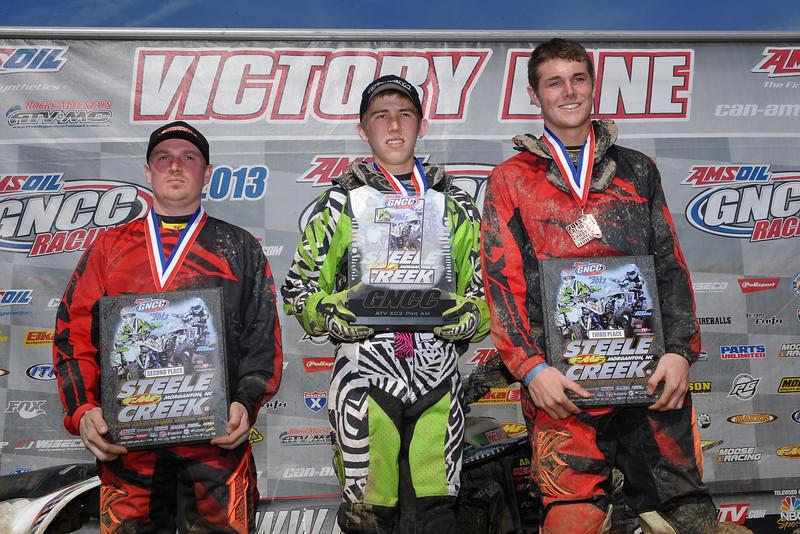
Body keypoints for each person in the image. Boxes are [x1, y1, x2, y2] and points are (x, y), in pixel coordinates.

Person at [481, 39, 749, 534]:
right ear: (535, 95)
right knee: (572, 519)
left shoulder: (638, 170)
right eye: (554, 82)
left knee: (687, 516)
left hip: (650, 380)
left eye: (578, 79)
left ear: (593, 85)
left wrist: (679, 352)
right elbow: (502, 283)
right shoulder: (510, 180)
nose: (568, 91)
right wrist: (532, 368)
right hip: (562, 387)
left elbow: (669, 267)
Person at [281, 75, 490, 534]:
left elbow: (486, 293)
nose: (394, 125)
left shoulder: (455, 204)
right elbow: (298, 289)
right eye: (381, 116)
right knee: (370, 518)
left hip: (438, 379)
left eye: (405, 114)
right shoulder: (340, 202)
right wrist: (335, 312)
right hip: (365, 377)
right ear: (363, 130)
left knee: (436, 515)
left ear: (422, 125)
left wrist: (471, 316)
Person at [53, 121, 283, 533]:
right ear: (148, 171)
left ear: (207, 173)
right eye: (164, 158)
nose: (175, 166)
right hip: (128, 451)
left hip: (216, 446)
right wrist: (83, 410)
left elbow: (262, 338)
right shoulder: (109, 248)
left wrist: (245, 402)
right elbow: (73, 335)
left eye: (188, 157)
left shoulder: (239, 247)